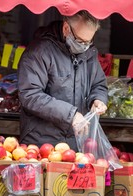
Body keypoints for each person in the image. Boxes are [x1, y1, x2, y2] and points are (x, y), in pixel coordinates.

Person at [17, 10, 108, 151]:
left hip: (76, 142)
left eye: (89, 42)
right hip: (42, 142)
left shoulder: (89, 53)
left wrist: (98, 99)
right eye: (80, 41)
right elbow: (30, 95)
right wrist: (70, 115)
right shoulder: (39, 52)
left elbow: (99, 84)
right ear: (66, 28)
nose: (84, 46)